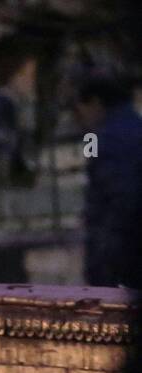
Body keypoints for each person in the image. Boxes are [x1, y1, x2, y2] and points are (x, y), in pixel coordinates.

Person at [72, 70, 142, 291]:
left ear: (95, 102)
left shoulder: (107, 140)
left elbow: (119, 201)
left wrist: (101, 264)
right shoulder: (135, 128)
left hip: (122, 255)